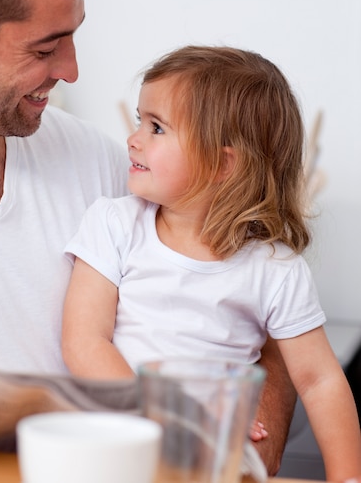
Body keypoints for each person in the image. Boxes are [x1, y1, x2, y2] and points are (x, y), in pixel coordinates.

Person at [0, 0, 294, 473]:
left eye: (73, 38)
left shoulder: (106, 164)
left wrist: (250, 445)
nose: (70, 71)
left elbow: (268, 309)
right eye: (44, 49)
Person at [62, 45, 361, 481]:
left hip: (214, 457)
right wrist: (163, 417)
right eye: (140, 121)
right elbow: (85, 341)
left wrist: (347, 478)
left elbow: (320, 381)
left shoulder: (275, 269)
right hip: (116, 440)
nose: (134, 138)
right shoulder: (113, 223)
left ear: (223, 165)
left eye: (157, 128)